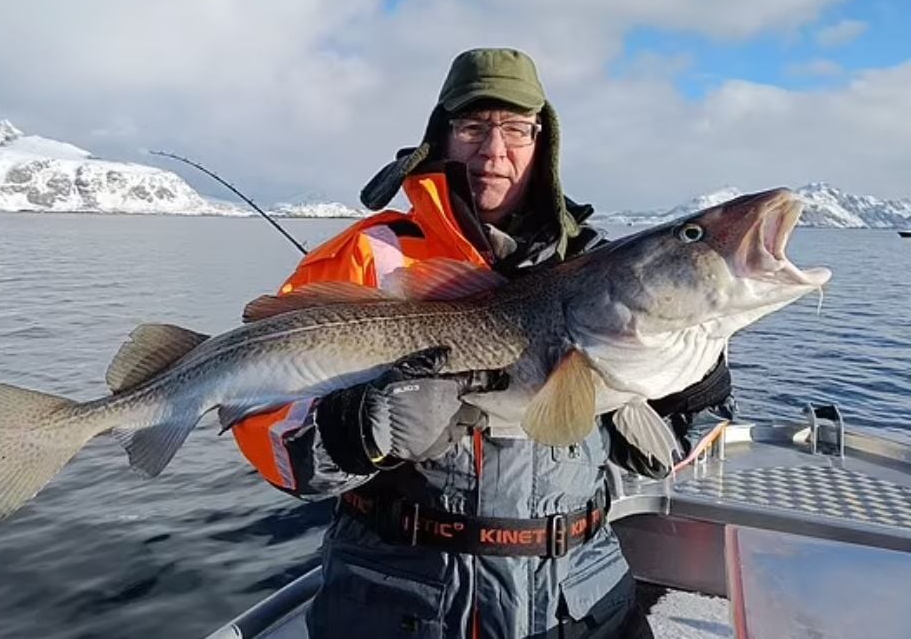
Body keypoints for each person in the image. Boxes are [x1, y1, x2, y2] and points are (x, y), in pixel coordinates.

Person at [231, 48, 732, 638]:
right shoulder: (366, 258)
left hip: (582, 599)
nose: (495, 152)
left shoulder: (604, 271)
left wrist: (691, 394)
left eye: (517, 129)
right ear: (441, 137)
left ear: (543, 143)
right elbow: (269, 434)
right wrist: (357, 428)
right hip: (400, 606)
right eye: (473, 127)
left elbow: (664, 462)